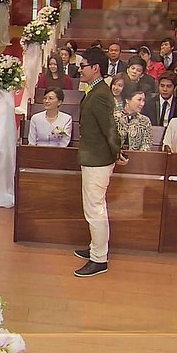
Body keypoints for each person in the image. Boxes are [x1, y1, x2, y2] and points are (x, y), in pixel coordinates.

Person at [73, 47, 127, 278]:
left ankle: (99, 258)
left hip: (98, 160)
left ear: (95, 68)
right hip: (93, 157)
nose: (80, 69)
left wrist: (117, 152)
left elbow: (110, 128)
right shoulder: (95, 90)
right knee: (92, 207)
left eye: (83, 65)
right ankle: (95, 247)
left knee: (95, 209)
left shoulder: (101, 94)